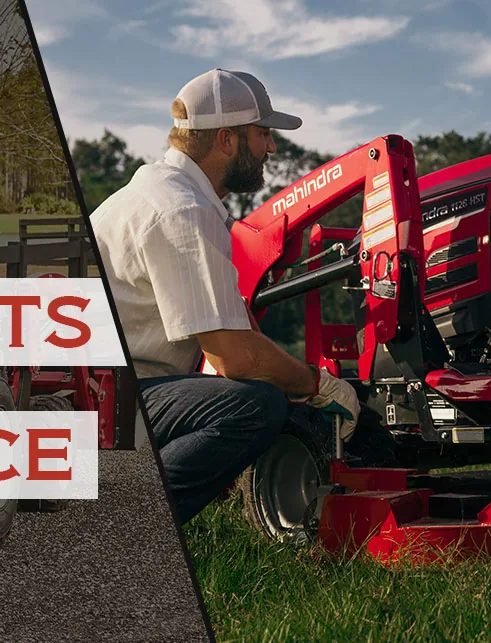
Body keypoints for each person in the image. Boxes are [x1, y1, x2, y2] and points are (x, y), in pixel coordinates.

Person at [89, 69, 360, 524]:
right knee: (253, 407)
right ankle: (126, 523)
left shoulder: (160, 193)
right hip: (107, 397)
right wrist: (318, 384)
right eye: (262, 134)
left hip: (110, 387)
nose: (271, 148)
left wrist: (289, 374)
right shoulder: (182, 211)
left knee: (252, 393)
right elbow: (239, 358)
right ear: (227, 141)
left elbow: (237, 326)